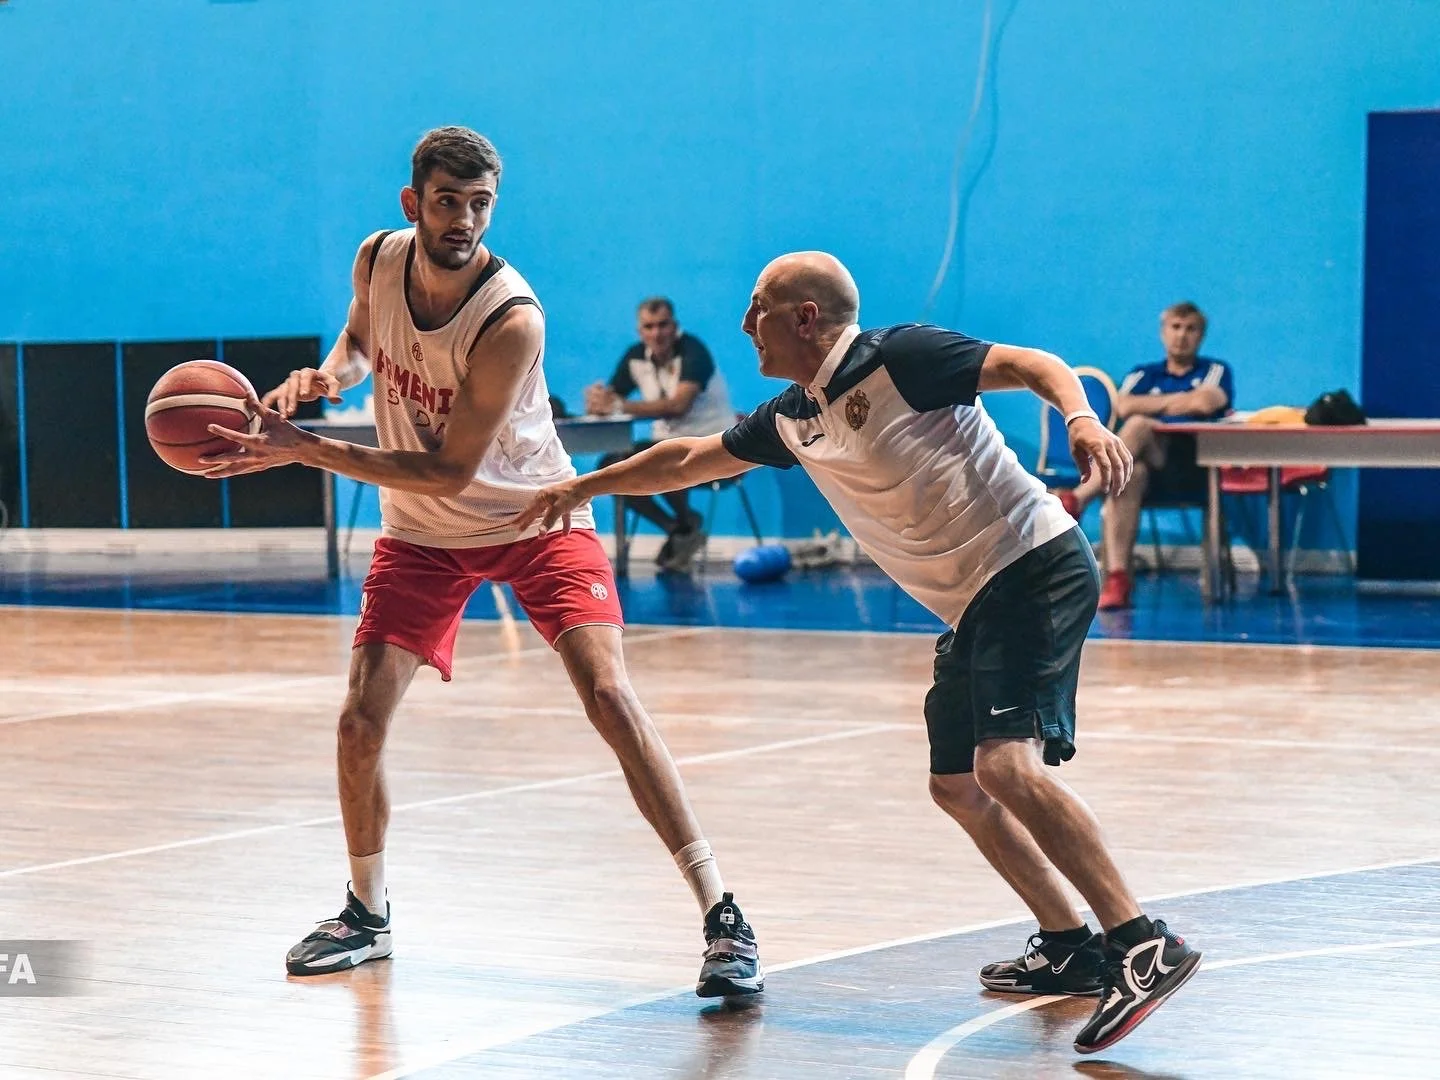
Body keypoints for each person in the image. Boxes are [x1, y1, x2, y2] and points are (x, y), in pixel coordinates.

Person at [515, 252, 1201, 1056]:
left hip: (1030, 563)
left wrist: (1082, 419)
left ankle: (1143, 944)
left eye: (758, 306)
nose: (743, 323)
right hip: (975, 600)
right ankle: (1069, 943)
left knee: (1006, 766)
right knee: (958, 784)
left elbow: (1034, 363)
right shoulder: (794, 416)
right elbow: (687, 459)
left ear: (806, 317)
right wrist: (581, 488)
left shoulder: (902, 358)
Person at [198, 127, 762, 998]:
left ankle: (722, 913)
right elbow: (357, 343)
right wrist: (325, 376)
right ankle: (367, 912)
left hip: (535, 514)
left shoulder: (511, 318)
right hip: (423, 535)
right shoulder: (378, 260)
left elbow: (451, 468)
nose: (464, 220)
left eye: (481, 204)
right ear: (412, 202)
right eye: (449, 201)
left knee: (609, 696)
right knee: (358, 724)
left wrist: (303, 449)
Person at [1059, 302, 1234, 610]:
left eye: (1190, 329)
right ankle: (1118, 580)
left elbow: (1207, 402)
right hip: (1147, 467)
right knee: (1130, 474)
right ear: (1163, 332)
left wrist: (1154, 406)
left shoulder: (1214, 370)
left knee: (1139, 425)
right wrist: (1182, 402)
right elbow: (1123, 406)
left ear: (1201, 335)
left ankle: (1078, 498)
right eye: (1176, 328)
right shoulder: (1144, 373)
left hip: (1190, 466)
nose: (1182, 336)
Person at [586, 298, 735, 572]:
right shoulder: (635, 357)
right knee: (613, 468)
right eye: (649, 327)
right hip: (669, 445)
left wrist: (617, 405)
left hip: (714, 446)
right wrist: (597, 401)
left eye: (663, 325)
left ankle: (684, 526)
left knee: (657, 458)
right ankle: (680, 527)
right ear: (640, 331)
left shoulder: (693, 352)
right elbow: (611, 397)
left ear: (674, 326)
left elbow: (678, 406)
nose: (657, 333)